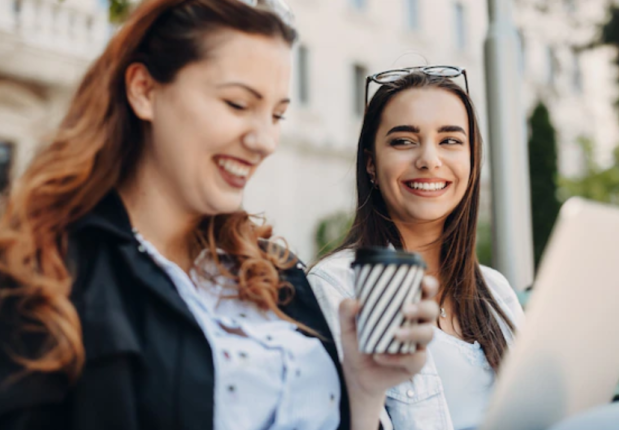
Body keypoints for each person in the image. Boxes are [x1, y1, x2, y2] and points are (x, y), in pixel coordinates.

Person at [0, 2, 440, 429]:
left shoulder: (274, 273)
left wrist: (364, 389)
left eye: (278, 114)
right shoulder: (48, 275)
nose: (266, 139)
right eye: (237, 104)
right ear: (144, 90)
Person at [308, 68, 525, 430]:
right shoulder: (339, 286)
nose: (428, 159)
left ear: (472, 163)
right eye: (404, 141)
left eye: (450, 141)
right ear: (371, 165)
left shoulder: (496, 291)